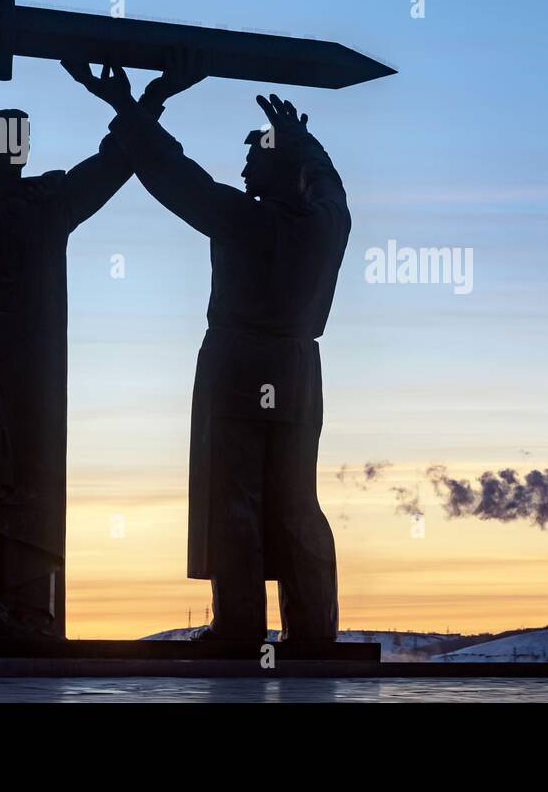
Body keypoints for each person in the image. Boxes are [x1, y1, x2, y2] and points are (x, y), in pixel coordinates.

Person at [0, 6, 181, 640]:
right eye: (1, 136)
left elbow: (112, 164)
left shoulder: (46, 203)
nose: (11, 146)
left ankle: (0, 593)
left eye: (19, 138)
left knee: (10, 468)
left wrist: (149, 100)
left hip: (19, 369)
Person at [64, 51, 348, 642]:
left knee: (234, 495)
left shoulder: (241, 218)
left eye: (253, 161)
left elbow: (172, 173)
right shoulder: (325, 224)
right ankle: (313, 632)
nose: (244, 172)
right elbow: (329, 187)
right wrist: (306, 146)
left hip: (240, 364)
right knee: (296, 498)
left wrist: (127, 106)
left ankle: (240, 627)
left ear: (277, 172)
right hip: (298, 369)